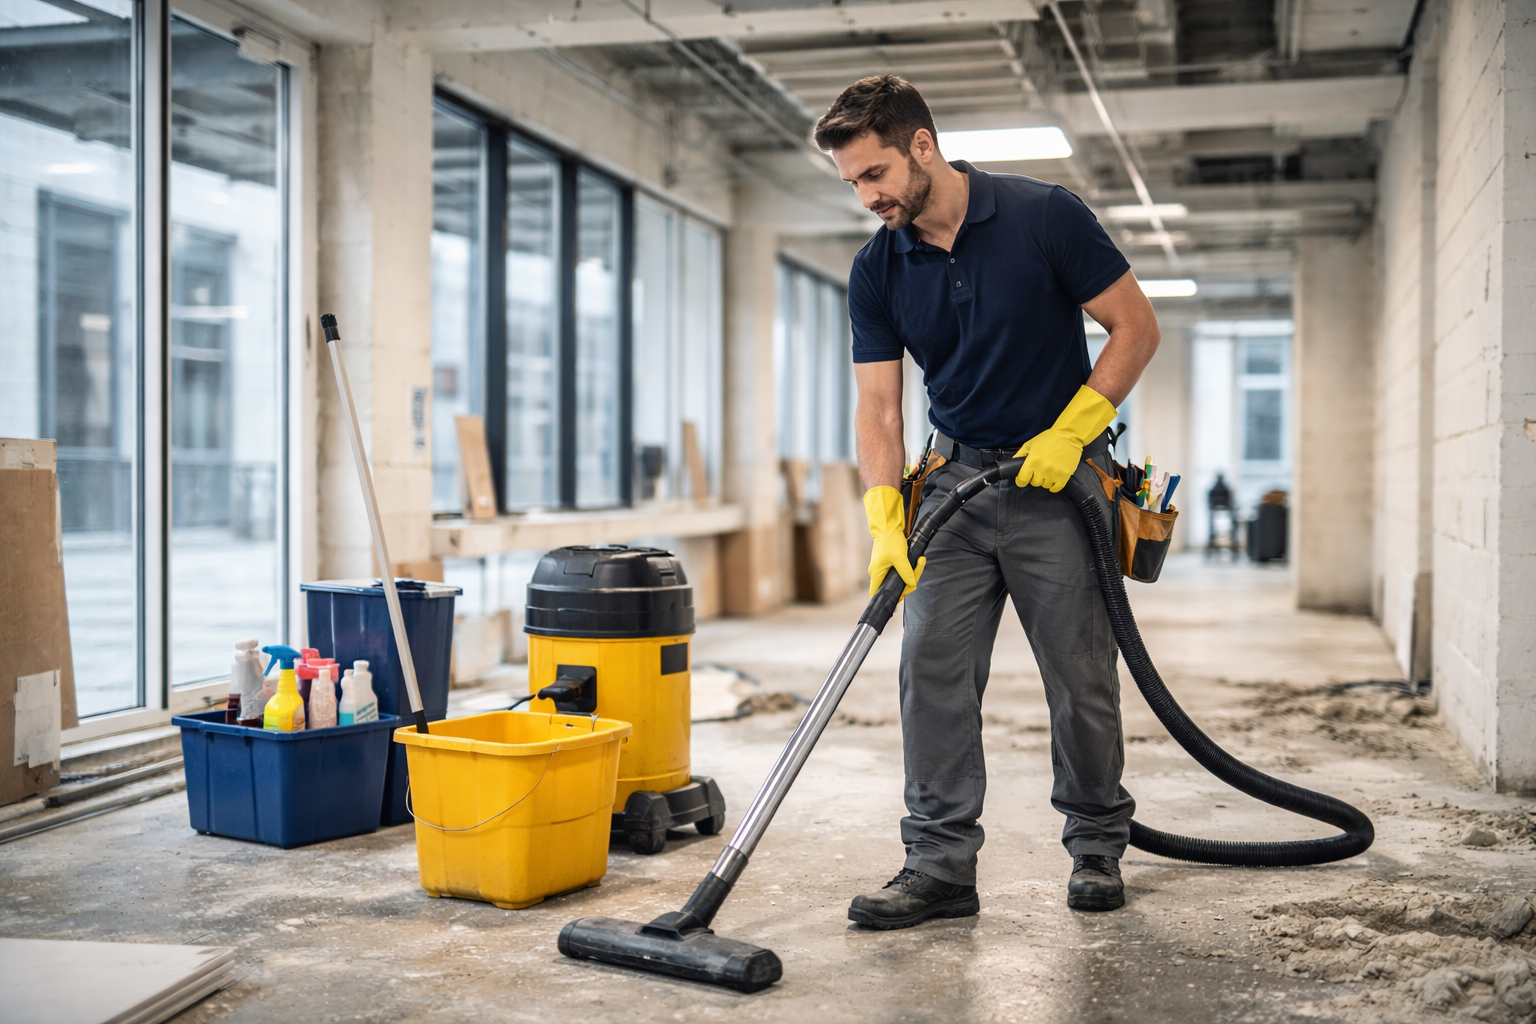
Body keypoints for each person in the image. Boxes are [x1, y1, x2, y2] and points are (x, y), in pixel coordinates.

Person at [814, 75, 1161, 930]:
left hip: (1056, 487)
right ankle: (938, 866)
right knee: (929, 671)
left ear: (922, 146)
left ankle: (1095, 847)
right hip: (954, 491)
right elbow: (880, 406)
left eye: (875, 174)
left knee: (1080, 675)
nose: (867, 197)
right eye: (854, 182)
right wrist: (883, 513)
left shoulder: (1045, 215)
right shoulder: (877, 267)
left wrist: (1075, 427)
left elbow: (1136, 327)